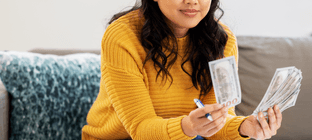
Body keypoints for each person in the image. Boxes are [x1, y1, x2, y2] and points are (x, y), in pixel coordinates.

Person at [81, 0, 283, 139]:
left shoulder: (222, 39)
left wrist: (244, 127)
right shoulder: (122, 35)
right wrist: (187, 127)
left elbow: (216, 123)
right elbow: (140, 131)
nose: (192, 1)